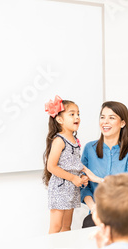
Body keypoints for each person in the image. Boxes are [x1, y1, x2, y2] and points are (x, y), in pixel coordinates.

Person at [80, 101, 128, 228]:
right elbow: (83, 185)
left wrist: (97, 179)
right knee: (89, 223)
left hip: (123, 212)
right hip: (97, 213)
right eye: (102, 117)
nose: (105, 122)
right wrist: (93, 207)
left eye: (111, 118)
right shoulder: (89, 148)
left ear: (123, 123)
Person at [42, 95, 90, 234]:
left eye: (78, 114)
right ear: (60, 119)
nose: (77, 117)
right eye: (72, 114)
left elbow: (73, 164)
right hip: (60, 188)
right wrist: (73, 178)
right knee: (56, 227)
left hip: (72, 188)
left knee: (67, 226)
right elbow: (51, 167)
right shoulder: (59, 140)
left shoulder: (75, 140)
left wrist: (81, 176)